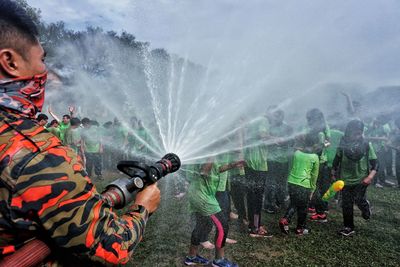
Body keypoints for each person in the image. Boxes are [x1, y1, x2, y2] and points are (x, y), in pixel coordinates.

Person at [0, 1, 160, 265]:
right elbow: (111, 247)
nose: (45, 72)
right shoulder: (38, 157)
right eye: (41, 59)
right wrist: (143, 207)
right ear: (10, 61)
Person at [185, 159, 241, 267]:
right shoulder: (206, 150)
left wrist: (231, 165)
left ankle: (191, 257)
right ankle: (219, 261)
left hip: (199, 193)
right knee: (222, 226)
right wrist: (211, 155)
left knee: (202, 225)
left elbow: (216, 169)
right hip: (202, 196)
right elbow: (203, 171)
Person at [332, 120, 378, 236]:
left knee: (358, 199)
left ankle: (365, 206)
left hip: (361, 179)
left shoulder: (366, 145)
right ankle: (348, 227)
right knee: (346, 204)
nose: (357, 136)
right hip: (345, 179)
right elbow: (336, 160)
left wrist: (370, 177)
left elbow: (376, 163)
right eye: (355, 133)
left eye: (359, 133)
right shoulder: (342, 145)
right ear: (348, 132)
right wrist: (333, 172)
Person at [279, 133, 320, 235]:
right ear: (315, 144)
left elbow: (292, 166)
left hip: (292, 182)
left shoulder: (296, 153)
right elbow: (314, 176)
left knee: (294, 203)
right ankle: (299, 228)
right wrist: (312, 189)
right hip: (304, 185)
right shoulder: (314, 157)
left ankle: (286, 220)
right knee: (303, 207)